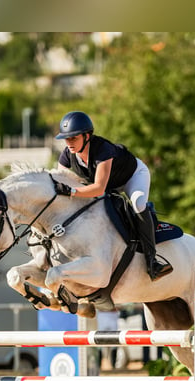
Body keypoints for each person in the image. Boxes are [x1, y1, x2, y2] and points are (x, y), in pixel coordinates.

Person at [53, 111, 172, 281]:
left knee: (137, 203)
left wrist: (72, 192)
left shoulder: (103, 150)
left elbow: (98, 188)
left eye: (73, 138)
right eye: (66, 138)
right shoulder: (67, 155)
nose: (69, 142)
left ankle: (152, 260)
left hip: (132, 176)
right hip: (108, 185)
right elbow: (61, 181)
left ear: (87, 136)